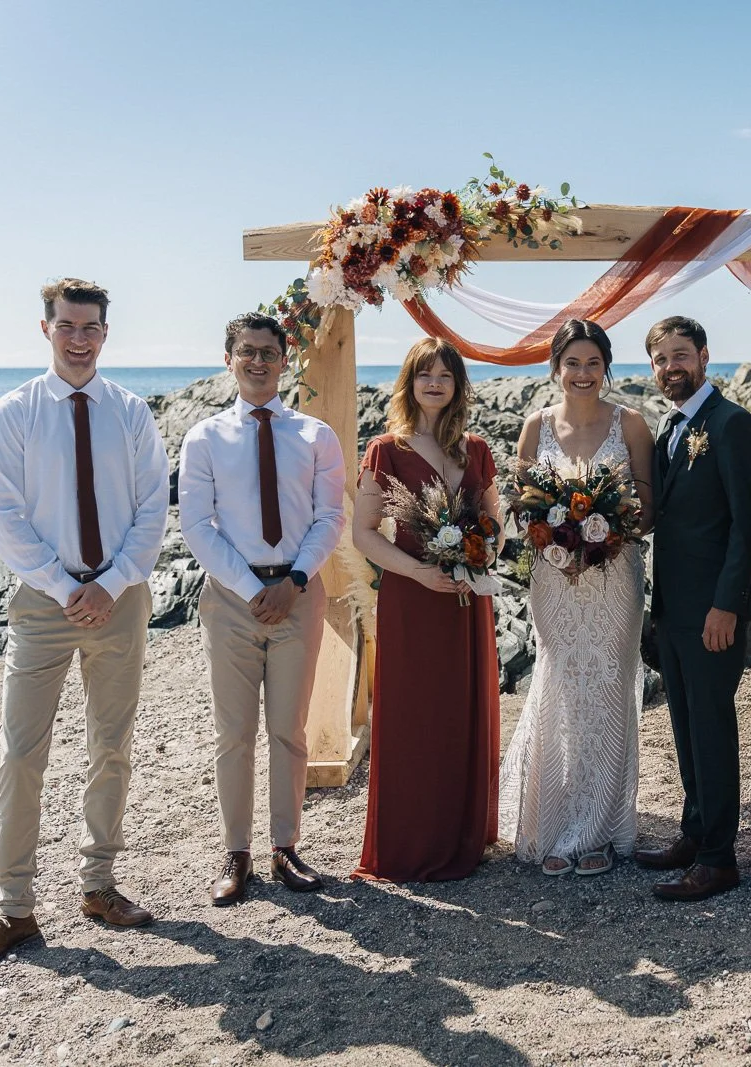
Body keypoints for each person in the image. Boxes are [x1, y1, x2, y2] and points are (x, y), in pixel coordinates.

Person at [0, 278, 169, 974]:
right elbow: (5, 515)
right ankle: (14, 907)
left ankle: (98, 884)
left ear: (106, 332)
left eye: (91, 328)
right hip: (44, 604)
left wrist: (110, 583)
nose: (80, 340)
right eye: (68, 326)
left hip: (120, 598)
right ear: (45, 329)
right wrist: (67, 587)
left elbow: (152, 508)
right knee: (21, 753)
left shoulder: (131, 413)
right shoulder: (15, 412)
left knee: (112, 746)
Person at [178, 312, 346, 905]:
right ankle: (236, 851)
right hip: (231, 598)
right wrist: (251, 589)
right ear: (229, 360)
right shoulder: (204, 438)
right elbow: (197, 525)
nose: (257, 361)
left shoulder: (315, 436)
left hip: (298, 592)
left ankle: (285, 846)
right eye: (246, 352)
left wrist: (295, 580)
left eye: (268, 352)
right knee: (233, 732)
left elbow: (331, 515)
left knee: (289, 729)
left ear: (284, 360)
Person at [499, 320, 656, 876]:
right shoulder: (535, 426)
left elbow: (650, 510)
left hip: (615, 579)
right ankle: (551, 820)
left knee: (609, 691)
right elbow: (521, 509)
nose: (583, 373)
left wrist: (606, 531)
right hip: (555, 580)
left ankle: (600, 829)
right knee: (560, 689)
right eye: (573, 363)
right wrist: (557, 534)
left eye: (593, 363)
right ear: (556, 368)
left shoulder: (631, 423)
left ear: (606, 368)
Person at [352, 338, 505, 882]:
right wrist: (420, 572)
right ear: (409, 383)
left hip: (465, 601)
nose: (435, 383)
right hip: (413, 600)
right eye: (425, 374)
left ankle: (463, 832)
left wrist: (482, 552)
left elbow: (495, 523)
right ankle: (411, 840)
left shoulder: (475, 450)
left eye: (445, 374)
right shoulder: (385, 450)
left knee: (461, 709)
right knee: (413, 713)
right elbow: (364, 534)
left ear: (458, 385)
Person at [634, 316, 751, 902]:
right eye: (661, 359)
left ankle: (718, 859)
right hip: (673, 607)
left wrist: (726, 606)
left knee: (711, 729)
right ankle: (694, 833)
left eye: (680, 355)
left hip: (713, 611)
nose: (671, 367)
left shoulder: (731, 424)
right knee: (685, 726)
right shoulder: (671, 426)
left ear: (705, 356)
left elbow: (747, 523)